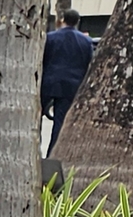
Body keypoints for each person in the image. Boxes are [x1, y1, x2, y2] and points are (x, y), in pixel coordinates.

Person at [41, 12, 95, 153]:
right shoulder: (86, 41)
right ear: (77, 21)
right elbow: (88, 63)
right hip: (72, 85)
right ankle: (52, 154)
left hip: (49, 82)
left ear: (62, 20)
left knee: (34, 117)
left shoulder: (50, 38)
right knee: (59, 122)